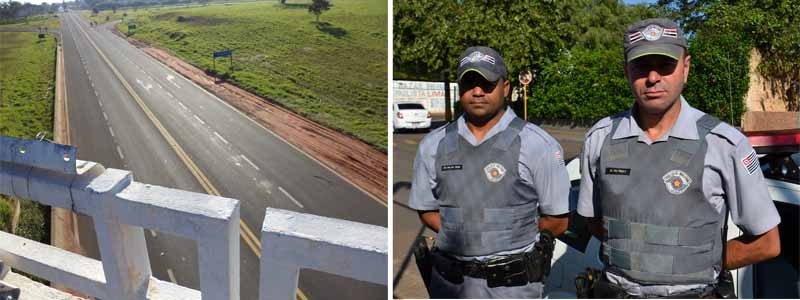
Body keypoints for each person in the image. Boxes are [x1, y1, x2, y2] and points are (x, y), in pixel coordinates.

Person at [576, 18, 781, 298]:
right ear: (627, 71)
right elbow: (595, 222)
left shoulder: (725, 145)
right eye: (641, 67)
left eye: (665, 66)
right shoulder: (599, 139)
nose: (652, 78)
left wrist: (694, 263)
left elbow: (767, 243)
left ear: (685, 68)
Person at [408, 46, 570, 298]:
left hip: (513, 288)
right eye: (469, 83)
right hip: (450, 285)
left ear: (505, 88)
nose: (477, 91)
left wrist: (508, 237)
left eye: (487, 83)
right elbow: (426, 209)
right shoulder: (433, 145)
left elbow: (557, 220)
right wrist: (465, 234)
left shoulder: (538, 144)